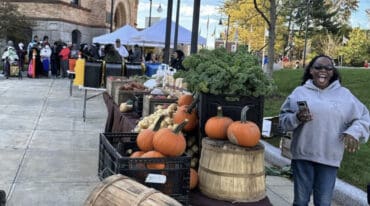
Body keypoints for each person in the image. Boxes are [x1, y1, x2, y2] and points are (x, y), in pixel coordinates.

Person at [279, 54, 370, 206]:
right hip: (303, 155)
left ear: (333, 72)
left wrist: (353, 132)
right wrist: (296, 118)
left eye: (328, 68)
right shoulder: (299, 92)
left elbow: (365, 117)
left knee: (323, 202)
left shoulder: (344, 95)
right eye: (318, 67)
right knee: (300, 201)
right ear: (310, 71)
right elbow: (283, 121)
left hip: (329, 157)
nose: (323, 71)